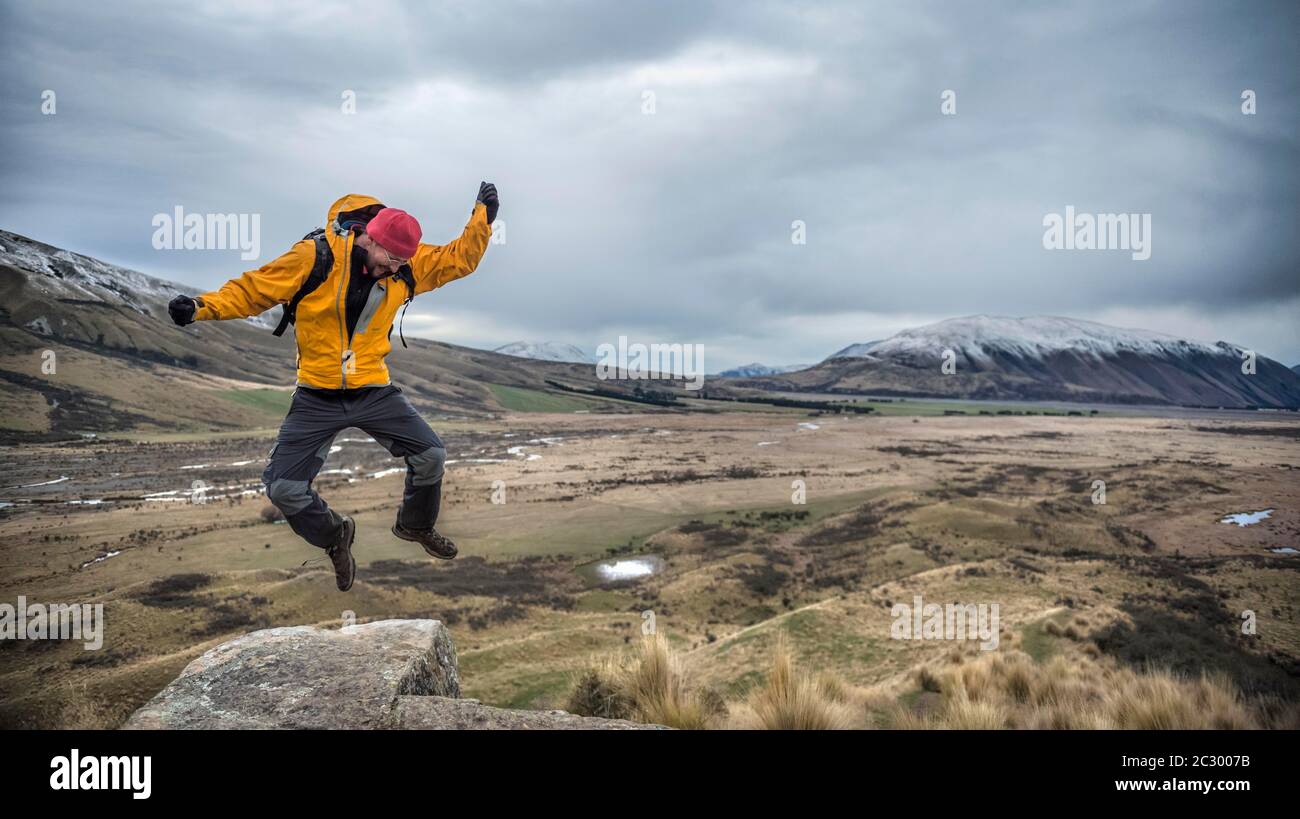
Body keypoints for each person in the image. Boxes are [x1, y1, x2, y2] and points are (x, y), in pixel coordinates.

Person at [167, 184, 499, 591]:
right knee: (285, 489)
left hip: (372, 388)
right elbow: (254, 290)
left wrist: (482, 216)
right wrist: (201, 307)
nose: (396, 267)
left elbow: (457, 260)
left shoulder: (409, 264)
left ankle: (414, 526)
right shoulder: (315, 256)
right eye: (391, 257)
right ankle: (335, 536)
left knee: (431, 454)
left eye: (403, 260)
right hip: (317, 394)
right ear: (370, 238)